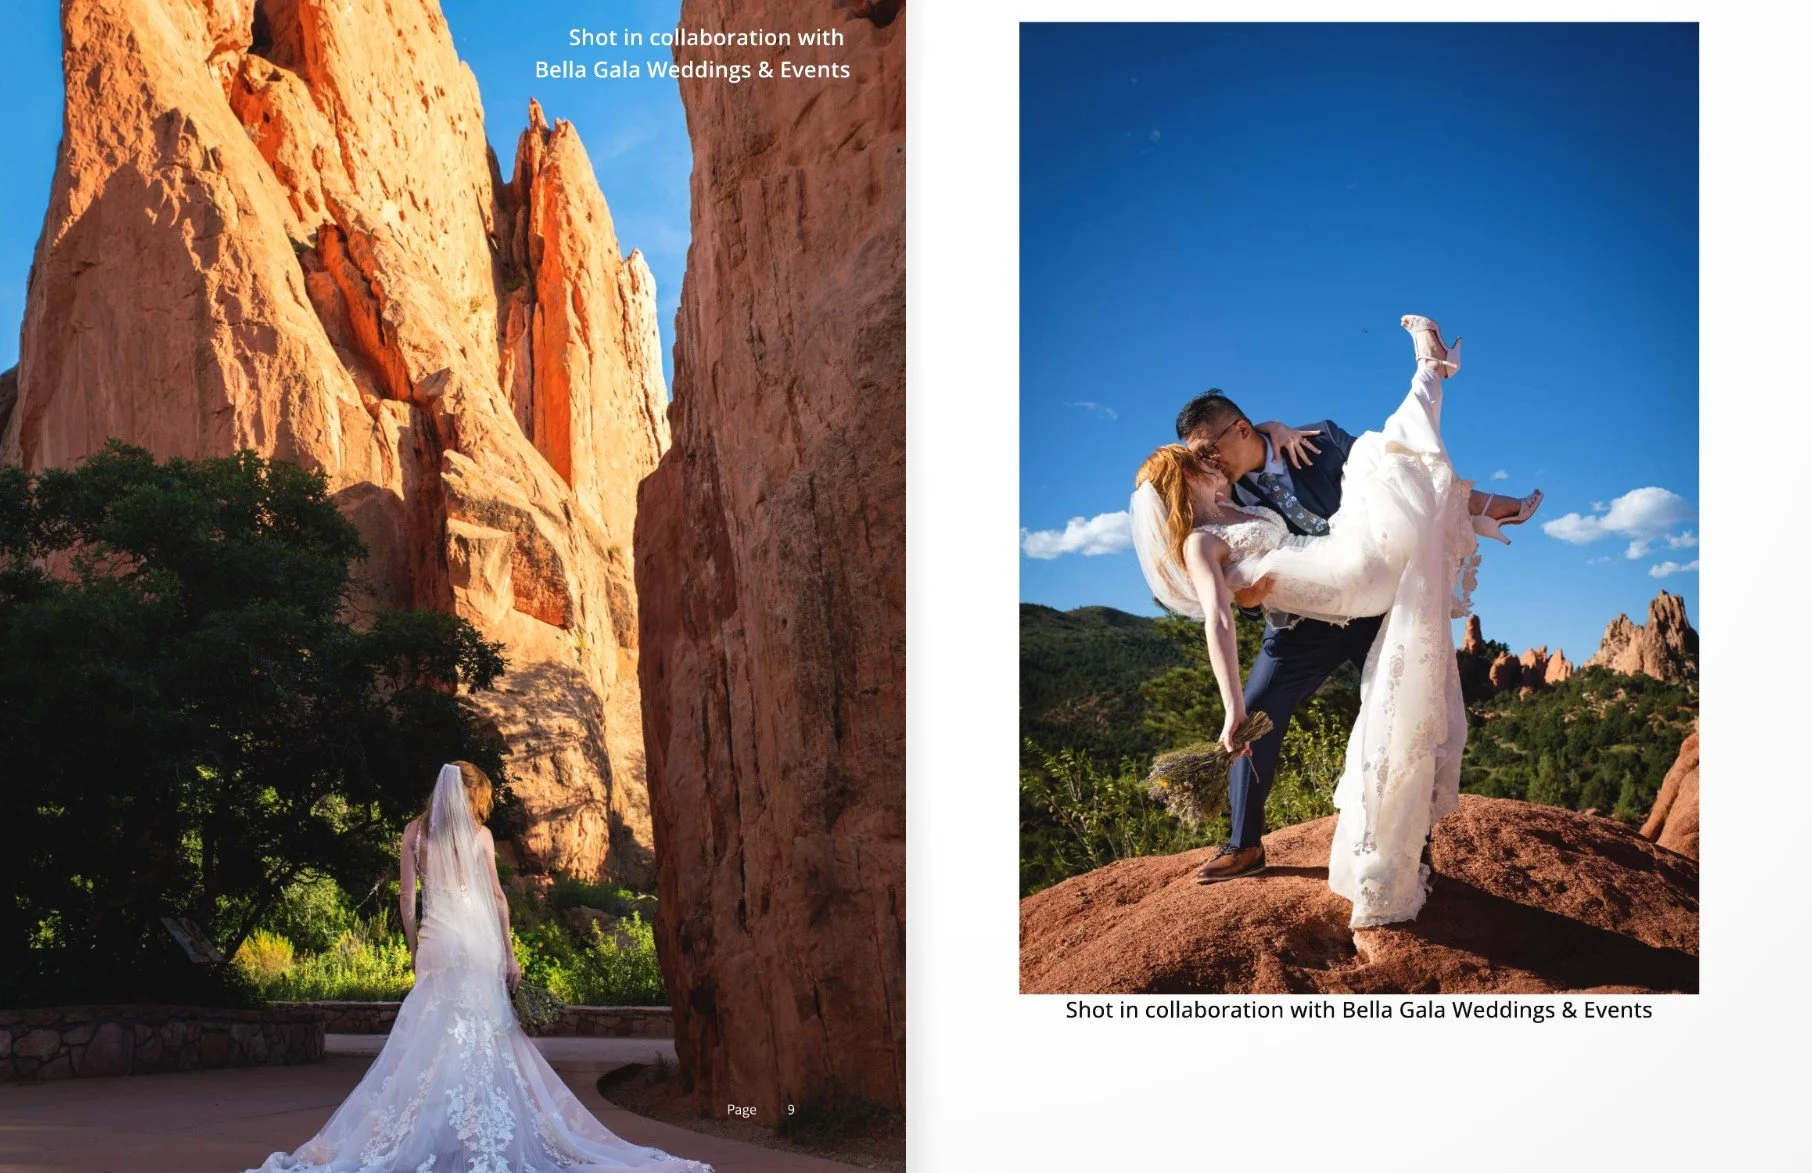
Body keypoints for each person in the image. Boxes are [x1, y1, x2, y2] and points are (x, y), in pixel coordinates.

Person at [1130, 316, 1542, 926]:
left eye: (1212, 450)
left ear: (1240, 431)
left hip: (1363, 593)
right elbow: (1219, 600)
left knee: (1401, 704)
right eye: (1200, 459)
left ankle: (1408, 855)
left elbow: (1400, 490)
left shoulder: (1314, 438)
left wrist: (1274, 431)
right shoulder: (1224, 499)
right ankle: (1243, 844)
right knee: (1259, 715)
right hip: (1301, 623)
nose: (1210, 463)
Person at [245, 761, 712, 1173]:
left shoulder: (414, 833)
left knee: (428, 1042)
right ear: (470, 794)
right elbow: (498, 899)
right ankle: (482, 1138)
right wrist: (509, 954)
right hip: (479, 942)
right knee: (487, 1039)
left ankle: (426, 1137)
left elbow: (408, 902)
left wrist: (414, 948)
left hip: (438, 940)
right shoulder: (481, 836)